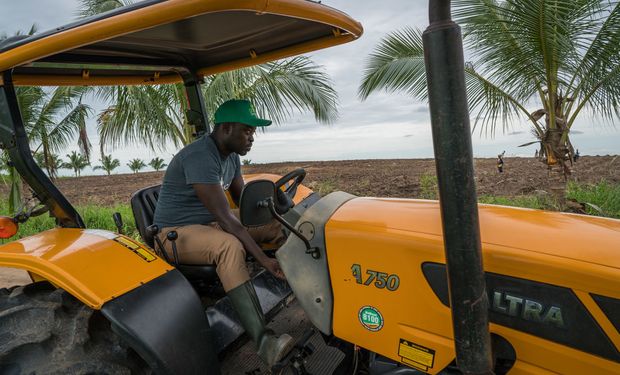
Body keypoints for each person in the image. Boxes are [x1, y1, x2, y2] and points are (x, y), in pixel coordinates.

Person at [153, 99, 293, 366]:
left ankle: (303, 287)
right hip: (174, 233)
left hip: (208, 224)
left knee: (276, 225)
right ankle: (265, 343)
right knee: (229, 246)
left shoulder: (230, 158)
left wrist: (277, 206)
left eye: (253, 132)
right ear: (226, 128)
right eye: (247, 131)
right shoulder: (200, 156)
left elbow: (245, 204)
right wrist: (263, 260)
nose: (252, 138)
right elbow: (227, 219)